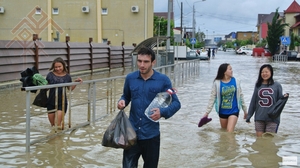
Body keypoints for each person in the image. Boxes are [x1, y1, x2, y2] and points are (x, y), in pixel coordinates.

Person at [117, 47, 181, 168]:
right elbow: (126, 96)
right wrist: (122, 102)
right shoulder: (130, 78)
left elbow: (176, 104)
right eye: (139, 61)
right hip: (131, 135)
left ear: (153, 62)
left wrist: (162, 112)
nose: (142, 65)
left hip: (151, 136)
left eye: (146, 62)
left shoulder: (163, 80)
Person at [202, 63, 248, 132]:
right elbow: (212, 98)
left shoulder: (236, 81)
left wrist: (245, 110)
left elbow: (241, 96)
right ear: (224, 72)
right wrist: (207, 113)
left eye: (231, 69)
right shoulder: (217, 83)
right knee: (223, 132)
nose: (232, 71)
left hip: (234, 111)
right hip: (222, 111)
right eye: (230, 69)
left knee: (229, 131)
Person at [246, 64, 285, 137]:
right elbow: (253, 101)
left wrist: (284, 98)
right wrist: (249, 115)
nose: (264, 74)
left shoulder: (277, 85)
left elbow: (280, 103)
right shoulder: (258, 85)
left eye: (266, 72)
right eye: (262, 72)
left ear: (271, 73)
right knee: (259, 141)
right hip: (259, 117)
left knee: (268, 142)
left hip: (272, 119)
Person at [46, 57, 82, 128]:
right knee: (53, 125)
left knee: (57, 124)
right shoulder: (50, 75)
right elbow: (46, 87)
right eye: (56, 67)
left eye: (59, 66)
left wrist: (75, 82)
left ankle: (58, 138)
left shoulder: (67, 76)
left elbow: (70, 89)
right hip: (50, 102)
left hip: (62, 102)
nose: (58, 69)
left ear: (63, 66)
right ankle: (56, 137)